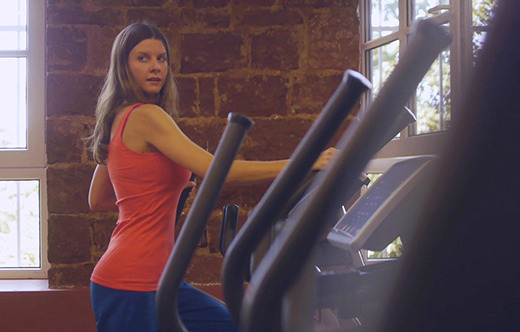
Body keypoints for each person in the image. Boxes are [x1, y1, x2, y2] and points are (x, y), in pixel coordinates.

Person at [87, 22, 335, 332]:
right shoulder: (146, 116)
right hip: (132, 283)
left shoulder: (117, 118)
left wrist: (158, 198)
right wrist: (305, 162)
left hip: (161, 280)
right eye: (143, 58)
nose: (156, 67)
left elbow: (98, 199)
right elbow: (217, 170)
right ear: (123, 66)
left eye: (161, 59)